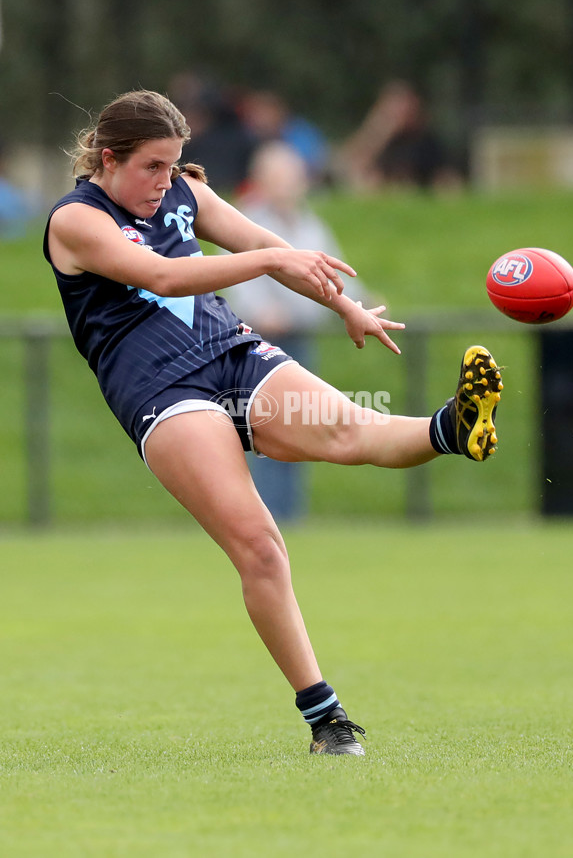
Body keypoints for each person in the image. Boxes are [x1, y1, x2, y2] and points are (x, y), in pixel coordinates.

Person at [43, 90, 503, 757]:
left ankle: (452, 429)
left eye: (174, 165)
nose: (166, 181)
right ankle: (327, 719)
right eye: (152, 166)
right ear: (109, 159)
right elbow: (167, 277)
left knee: (353, 431)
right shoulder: (75, 221)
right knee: (260, 546)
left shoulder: (185, 195)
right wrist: (271, 262)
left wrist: (344, 305)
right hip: (165, 393)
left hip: (230, 351)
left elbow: (261, 239)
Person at [225, 141, 363, 520]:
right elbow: (243, 290)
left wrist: (360, 306)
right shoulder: (244, 221)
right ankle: (266, 519)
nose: (289, 184)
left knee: (304, 434)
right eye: (279, 176)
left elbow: (337, 279)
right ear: (261, 180)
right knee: (266, 438)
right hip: (259, 348)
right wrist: (264, 311)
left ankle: (290, 518)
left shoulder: (309, 224)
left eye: (293, 176)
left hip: (300, 343)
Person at [340, 80, 463, 191]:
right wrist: (379, 130)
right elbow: (350, 166)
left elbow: (444, 174)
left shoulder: (425, 140)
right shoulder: (380, 138)